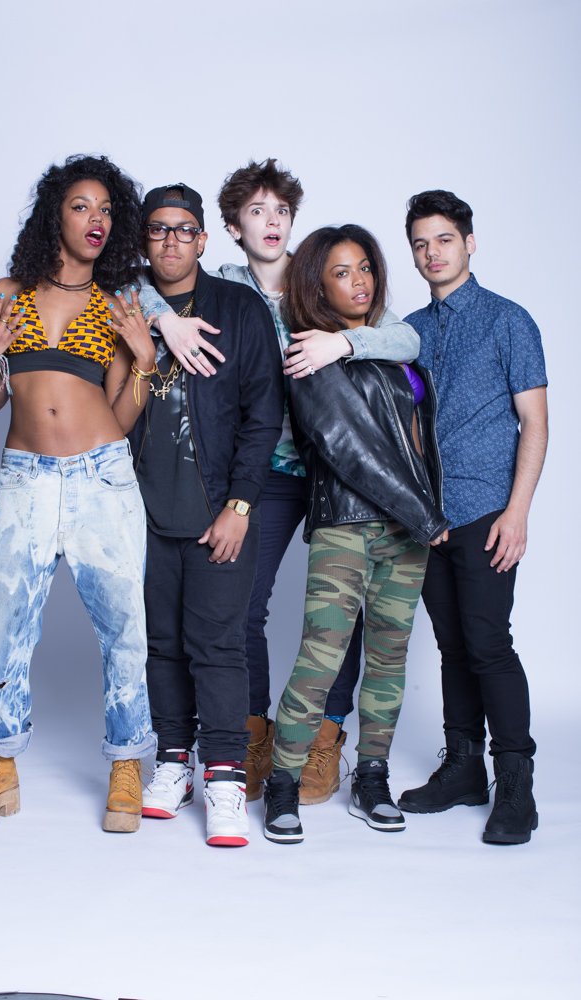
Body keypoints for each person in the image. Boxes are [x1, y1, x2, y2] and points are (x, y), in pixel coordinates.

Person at [138, 159, 420, 804]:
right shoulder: (224, 284)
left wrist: (342, 345)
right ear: (230, 228)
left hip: (330, 472)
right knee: (241, 607)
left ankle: (327, 735)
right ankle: (252, 732)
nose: (272, 222)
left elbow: (405, 338)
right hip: (256, 471)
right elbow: (138, 284)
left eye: (282, 211)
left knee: (345, 612)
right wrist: (165, 322)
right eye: (257, 211)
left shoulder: (319, 278)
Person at [0, 155, 157, 834]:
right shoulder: (7, 293)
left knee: (124, 627)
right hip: (25, 478)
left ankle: (127, 763)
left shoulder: (117, 304)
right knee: (1, 623)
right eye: (81, 206)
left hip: (103, 476)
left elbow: (122, 415)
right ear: (54, 216)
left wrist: (145, 362)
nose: (96, 220)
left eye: (107, 210)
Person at [262, 225, 449, 844]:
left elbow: (417, 442)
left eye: (365, 267)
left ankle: (372, 778)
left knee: (389, 660)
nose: (359, 281)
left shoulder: (384, 343)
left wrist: (424, 511)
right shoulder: (307, 354)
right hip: (347, 524)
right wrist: (424, 515)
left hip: (407, 532)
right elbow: (347, 447)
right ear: (317, 285)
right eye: (341, 272)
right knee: (321, 657)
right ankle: (283, 783)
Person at [130, 183, 283, 847]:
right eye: (157, 229)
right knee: (160, 643)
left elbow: (263, 414)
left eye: (183, 229)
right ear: (144, 239)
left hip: (219, 508)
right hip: (141, 510)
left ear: (203, 238)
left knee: (218, 645)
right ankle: (173, 763)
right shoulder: (125, 304)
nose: (171, 240)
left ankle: (223, 776)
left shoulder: (239, 308)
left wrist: (239, 505)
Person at [398, 190, 548, 845]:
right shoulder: (408, 331)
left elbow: (534, 423)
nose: (432, 253)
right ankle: (462, 768)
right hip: (428, 518)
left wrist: (517, 513)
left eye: (444, 240)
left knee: (488, 644)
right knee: (452, 646)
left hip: (487, 510)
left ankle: (515, 782)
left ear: (469, 243)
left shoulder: (508, 321)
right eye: (420, 244)